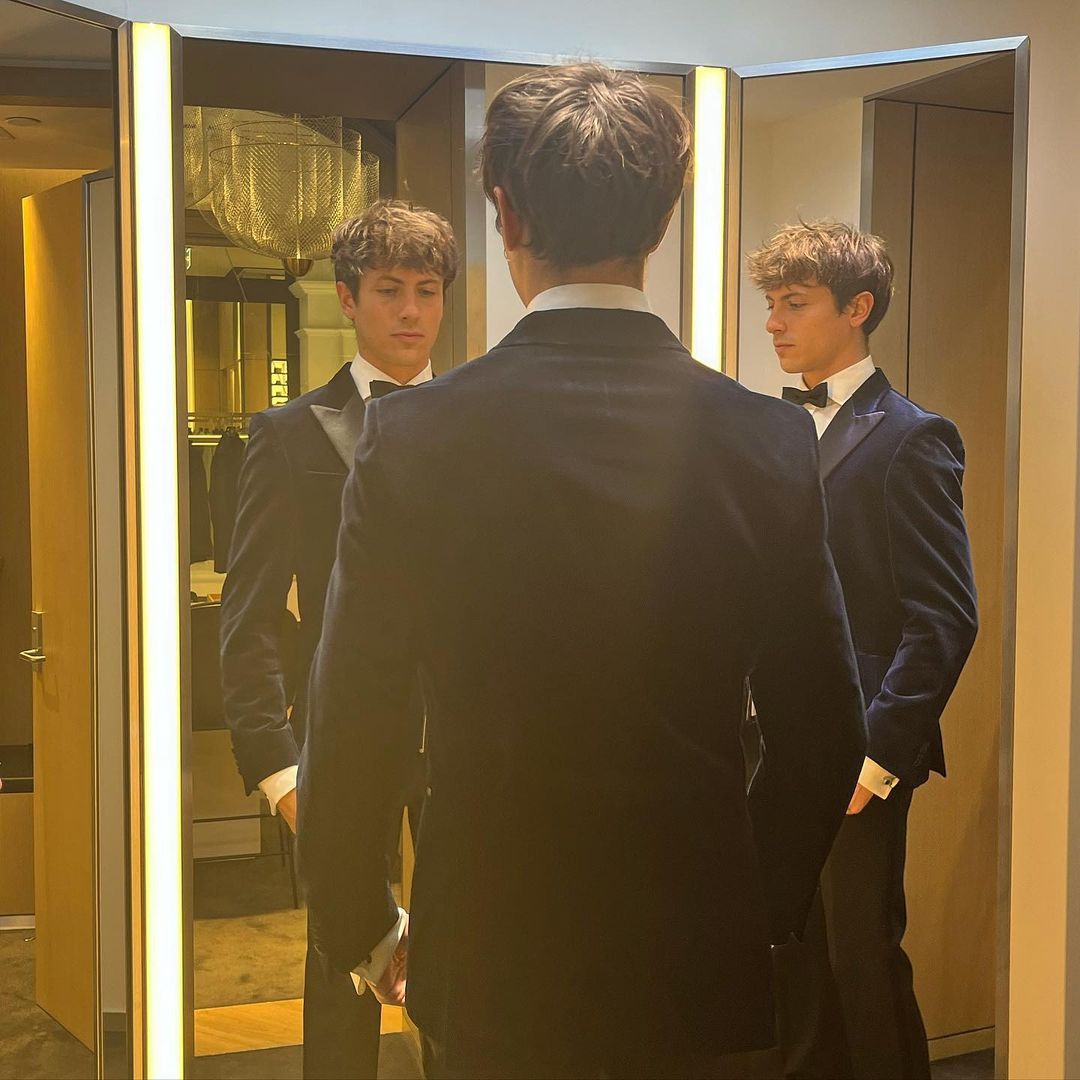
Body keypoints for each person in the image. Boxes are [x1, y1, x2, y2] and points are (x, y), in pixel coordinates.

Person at [299, 65, 865, 1080]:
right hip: (699, 957)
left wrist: (362, 925)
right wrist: (756, 909)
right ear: (664, 217)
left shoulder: (414, 437)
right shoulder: (768, 440)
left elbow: (352, 719)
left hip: (490, 954)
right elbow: (824, 728)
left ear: (505, 212)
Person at [219, 198, 458, 1079]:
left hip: (466, 737)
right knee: (342, 967)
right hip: (343, 738)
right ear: (349, 299)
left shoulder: (481, 425)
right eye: (390, 289)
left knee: (470, 962)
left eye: (427, 290)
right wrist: (279, 770)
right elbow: (248, 617)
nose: (411, 311)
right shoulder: (288, 435)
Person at [748, 220, 978, 1080]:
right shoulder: (764, 429)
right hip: (766, 742)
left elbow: (944, 618)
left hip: (859, 755)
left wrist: (875, 759)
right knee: (790, 963)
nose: (773, 322)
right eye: (771, 304)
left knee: (862, 964)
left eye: (794, 304)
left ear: (857, 308)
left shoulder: (912, 437)